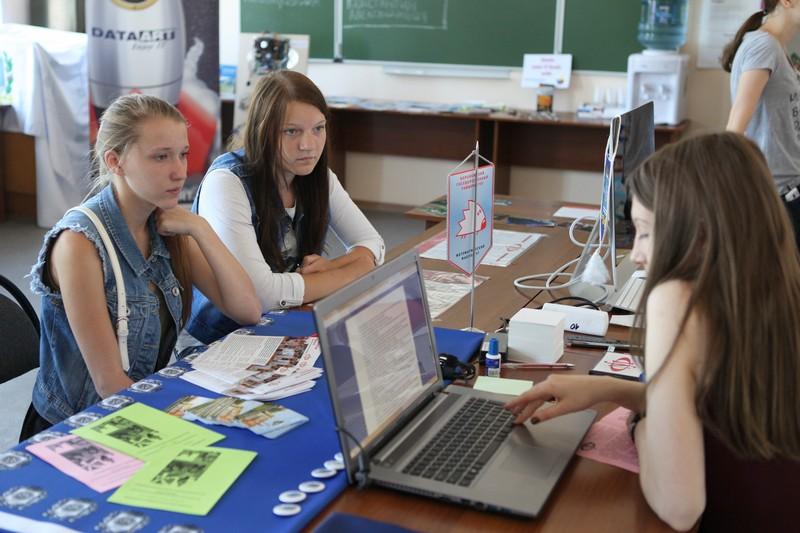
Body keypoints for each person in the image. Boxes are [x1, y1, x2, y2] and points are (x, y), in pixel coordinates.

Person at [505, 133, 800, 531]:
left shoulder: (675, 299)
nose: (639, 255)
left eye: (645, 232)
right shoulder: (771, 286)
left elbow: (680, 508)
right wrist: (609, 389)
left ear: (699, 233)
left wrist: (641, 425)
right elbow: (720, 412)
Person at [21, 95, 262, 440]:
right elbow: (109, 385)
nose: (180, 171)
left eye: (183, 154)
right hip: (77, 429)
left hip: (139, 404)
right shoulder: (79, 243)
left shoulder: (169, 225)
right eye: (161, 157)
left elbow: (248, 309)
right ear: (115, 161)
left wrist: (201, 228)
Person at [184, 71, 384, 345]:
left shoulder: (317, 177)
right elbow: (261, 294)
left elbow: (373, 243)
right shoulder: (227, 183)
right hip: (219, 339)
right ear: (263, 131)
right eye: (291, 131)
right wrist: (356, 270)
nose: (308, 145)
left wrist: (332, 267)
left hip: (287, 322)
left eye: (318, 129)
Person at [722, 0, 800, 246]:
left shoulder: (776, 46)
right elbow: (737, 121)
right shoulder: (764, 45)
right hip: (777, 195)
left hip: (786, 189)